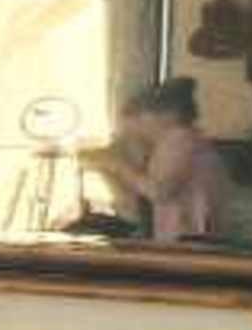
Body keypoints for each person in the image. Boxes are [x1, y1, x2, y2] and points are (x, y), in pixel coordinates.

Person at [89, 76, 230, 245]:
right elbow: (138, 207)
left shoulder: (180, 139)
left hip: (191, 236)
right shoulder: (175, 142)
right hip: (181, 236)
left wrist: (118, 166)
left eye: (137, 122)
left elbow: (160, 192)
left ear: (157, 116)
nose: (135, 131)